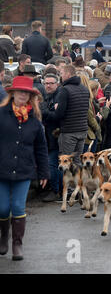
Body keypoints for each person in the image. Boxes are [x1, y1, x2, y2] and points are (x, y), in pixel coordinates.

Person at [0, 76, 49, 260]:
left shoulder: (35, 120)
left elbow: (41, 148)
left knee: (18, 206)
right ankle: (4, 235)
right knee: (3, 208)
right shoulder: (1, 113)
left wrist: (44, 172)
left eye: (26, 92)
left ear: (31, 96)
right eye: (20, 91)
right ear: (12, 93)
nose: (23, 95)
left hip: (24, 169)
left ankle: (17, 244)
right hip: (2, 169)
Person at [42, 65, 90, 166]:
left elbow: (59, 114)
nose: (61, 76)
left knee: (65, 163)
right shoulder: (84, 89)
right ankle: (78, 182)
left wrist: (46, 111)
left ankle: (64, 182)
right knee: (77, 161)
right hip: (82, 130)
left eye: (62, 74)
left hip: (69, 132)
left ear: (68, 74)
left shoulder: (65, 90)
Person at [40, 73, 62, 202]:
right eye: (46, 83)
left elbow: (57, 116)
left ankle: (56, 191)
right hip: (49, 135)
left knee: (53, 163)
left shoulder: (59, 95)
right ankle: (57, 190)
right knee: (54, 163)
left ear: (57, 84)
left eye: (51, 83)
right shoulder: (48, 96)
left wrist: (44, 111)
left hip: (56, 135)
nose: (48, 85)